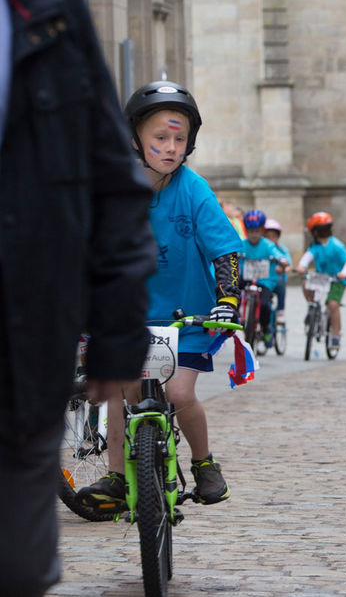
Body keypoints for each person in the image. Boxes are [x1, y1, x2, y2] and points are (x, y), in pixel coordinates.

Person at [0, 0, 156, 592]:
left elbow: (109, 175)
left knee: (17, 567)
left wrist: (119, 327)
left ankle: (195, 466)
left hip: (20, 354)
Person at [78, 80, 243, 511]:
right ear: (134, 138)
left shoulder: (193, 189)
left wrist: (228, 298)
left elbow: (225, 249)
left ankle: (204, 462)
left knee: (180, 394)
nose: (170, 147)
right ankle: (118, 476)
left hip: (186, 318)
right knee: (124, 391)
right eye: (160, 137)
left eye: (179, 139)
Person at [294, 212, 346, 353]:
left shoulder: (337, 245)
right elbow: (307, 257)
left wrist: (344, 273)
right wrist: (302, 267)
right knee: (306, 284)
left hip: (337, 280)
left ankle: (335, 335)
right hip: (321, 277)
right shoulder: (315, 247)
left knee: (333, 305)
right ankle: (312, 305)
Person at [240, 210, 289, 343]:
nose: (253, 235)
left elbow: (278, 254)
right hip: (245, 278)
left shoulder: (268, 245)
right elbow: (233, 253)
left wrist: (282, 260)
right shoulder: (242, 244)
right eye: (250, 231)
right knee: (232, 291)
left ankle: (266, 326)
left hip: (265, 281)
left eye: (256, 231)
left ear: (262, 231)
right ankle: (236, 314)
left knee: (265, 305)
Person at [263, 219, 291, 325]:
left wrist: (283, 269)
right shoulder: (262, 247)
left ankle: (280, 310)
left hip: (276, 278)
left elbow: (288, 265)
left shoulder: (282, 250)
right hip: (263, 278)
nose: (270, 239)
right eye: (267, 236)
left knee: (280, 284)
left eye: (273, 236)